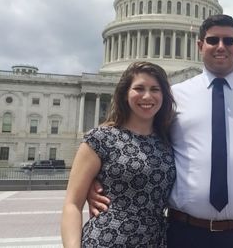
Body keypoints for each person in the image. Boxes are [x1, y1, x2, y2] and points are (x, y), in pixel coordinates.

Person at [87, 14, 233, 248]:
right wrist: (95, 173)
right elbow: (132, 135)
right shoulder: (172, 98)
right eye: (213, 40)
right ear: (200, 45)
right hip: (185, 233)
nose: (221, 47)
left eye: (229, 41)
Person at [61, 62, 177, 247]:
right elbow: (72, 204)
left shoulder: (168, 139)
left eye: (155, 89)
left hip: (155, 241)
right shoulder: (100, 138)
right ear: (125, 94)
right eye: (139, 88)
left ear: (163, 96)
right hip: (107, 240)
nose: (147, 96)